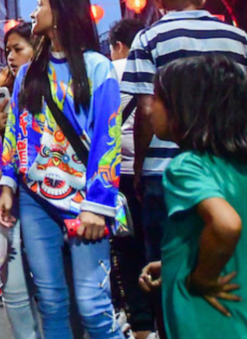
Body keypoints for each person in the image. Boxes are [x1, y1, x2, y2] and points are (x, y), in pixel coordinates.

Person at [121, 0, 247, 276]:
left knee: (168, 268)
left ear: (158, 1)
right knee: (239, 269)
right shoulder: (240, 39)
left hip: (164, 169)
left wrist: (139, 167)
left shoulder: (148, 40)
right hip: (234, 168)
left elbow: (146, 112)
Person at [0, 0, 125, 339]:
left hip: (86, 203)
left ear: (61, 13)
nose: (34, 13)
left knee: (94, 308)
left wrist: (98, 206)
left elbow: (107, 139)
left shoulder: (99, 68)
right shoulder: (28, 73)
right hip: (34, 199)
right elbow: (15, 133)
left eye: (41, 5)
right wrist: (8, 182)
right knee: (51, 304)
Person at [137, 55, 247, 339]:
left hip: (208, 324)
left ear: (185, 109)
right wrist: (176, 262)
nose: (150, 109)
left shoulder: (185, 166)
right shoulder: (237, 166)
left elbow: (227, 225)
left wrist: (201, 277)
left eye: (158, 98)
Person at [0, 22, 41, 339]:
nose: (10, 57)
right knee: (14, 280)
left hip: (51, 193)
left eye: (18, 49)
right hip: (11, 191)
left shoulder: (56, 82)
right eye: (7, 51)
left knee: (54, 287)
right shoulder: (5, 88)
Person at [104, 18, 154, 339]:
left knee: (125, 248)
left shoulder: (108, 73)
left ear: (118, 46)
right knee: (159, 248)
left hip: (121, 178)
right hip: (157, 172)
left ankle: (141, 324)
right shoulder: (156, 68)